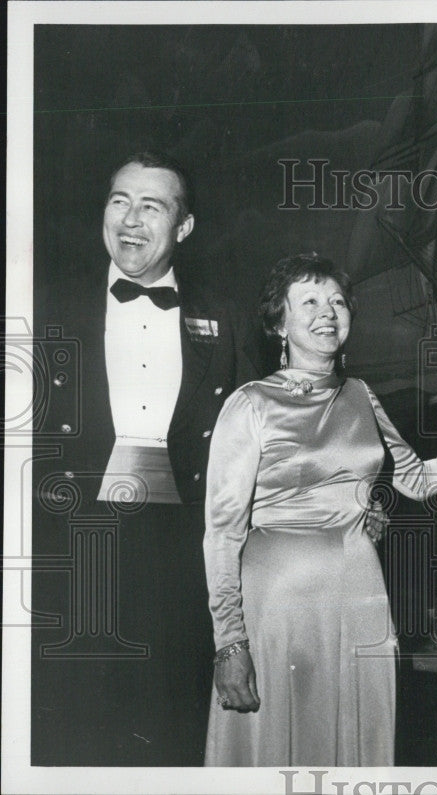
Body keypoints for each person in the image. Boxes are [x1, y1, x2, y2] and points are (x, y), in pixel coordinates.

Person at [202, 253, 437, 766]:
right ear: (278, 322)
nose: (327, 311)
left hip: (360, 592)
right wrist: (230, 644)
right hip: (278, 603)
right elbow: (221, 534)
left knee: (356, 750)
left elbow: (418, 480)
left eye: (336, 301)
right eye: (309, 301)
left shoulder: (362, 396)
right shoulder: (250, 403)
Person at [32, 151, 263, 765]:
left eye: (151, 206)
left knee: (171, 717)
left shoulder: (225, 315)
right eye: (119, 201)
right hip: (71, 538)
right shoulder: (48, 305)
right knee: (72, 717)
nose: (130, 219)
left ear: (182, 228)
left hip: (180, 546)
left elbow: (258, 442)